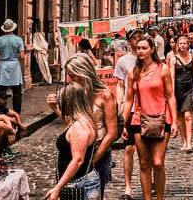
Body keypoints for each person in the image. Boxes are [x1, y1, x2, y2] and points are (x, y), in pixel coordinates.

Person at [48, 53, 119, 196]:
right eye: (69, 76)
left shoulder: (105, 94)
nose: (70, 80)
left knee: (94, 192)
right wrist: (56, 108)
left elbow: (112, 133)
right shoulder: (76, 93)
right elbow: (73, 124)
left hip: (98, 152)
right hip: (77, 152)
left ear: (84, 73)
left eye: (73, 76)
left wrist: (92, 160)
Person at [121, 36, 177, 200]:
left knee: (158, 162)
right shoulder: (133, 72)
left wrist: (173, 121)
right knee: (144, 163)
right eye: (138, 48)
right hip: (139, 119)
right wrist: (123, 123)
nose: (140, 51)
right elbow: (129, 99)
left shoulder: (163, 69)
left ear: (152, 49)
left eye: (144, 48)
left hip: (161, 118)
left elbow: (170, 95)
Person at [46, 82, 101, 200]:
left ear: (68, 102)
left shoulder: (79, 126)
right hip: (79, 183)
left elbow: (77, 160)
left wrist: (57, 188)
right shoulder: (83, 119)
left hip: (79, 184)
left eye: (61, 101)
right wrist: (54, 108)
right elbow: (69, 122)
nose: (60, 103)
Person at [114, 26, 142, 200]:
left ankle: (150, 180)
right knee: (129, 149)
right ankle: (128, 187)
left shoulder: (150, 60)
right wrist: (120, 103)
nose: (138, 40)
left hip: (147, 110)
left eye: (140, 37)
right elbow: (119, 85)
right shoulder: (124, 61)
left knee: (147, 151)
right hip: (130, 110)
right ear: (129, 41)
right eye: (135, 37)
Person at [169, 35, 193, 151]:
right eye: (180, 43)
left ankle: (189, 142)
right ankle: (184, 141)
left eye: (184, 43)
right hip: (178, 90)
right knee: (180, 118)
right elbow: (172, 77)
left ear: (188, 45)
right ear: (177, 45)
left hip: (189, 90)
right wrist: (171, 93)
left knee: (188, 116)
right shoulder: (173, 59)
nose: (182, 45)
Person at [0, 19, 25, 114]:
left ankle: (1, 112)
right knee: (17, 92)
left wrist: (0, 56)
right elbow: (22, 56)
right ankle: (16, 113)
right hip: (15, 66)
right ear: (13, 29)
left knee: (1, 91)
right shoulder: (18, 40)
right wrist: (15, 55)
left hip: (3, 66)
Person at [31, 19, 52, 84]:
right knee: (44, 66)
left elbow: (36, 45)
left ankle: (46, 79)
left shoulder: (37, 35)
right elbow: (44, 44)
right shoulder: (39, 34)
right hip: (42, 52)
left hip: (41, 52)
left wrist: (40, 49)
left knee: (44, 66)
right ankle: (45, 79)